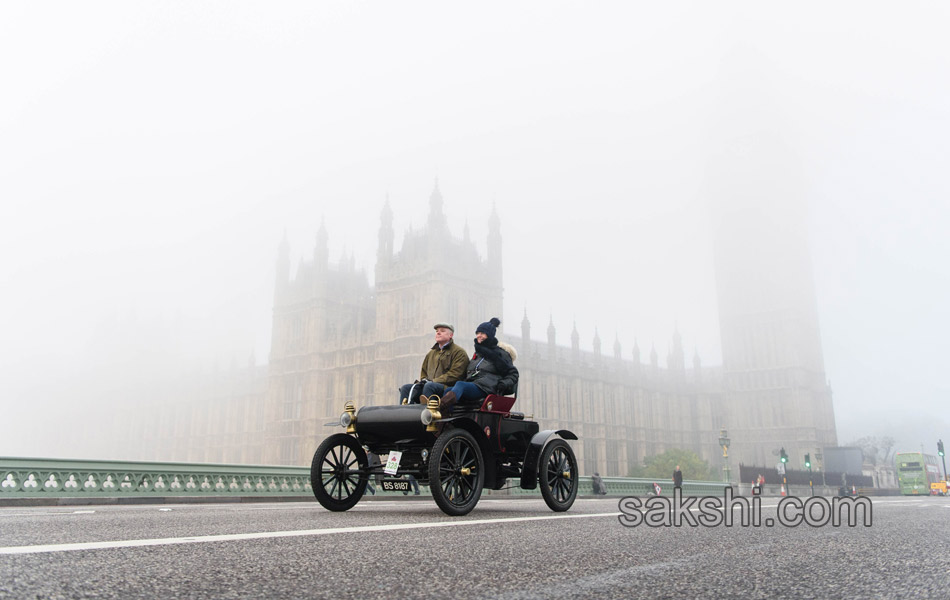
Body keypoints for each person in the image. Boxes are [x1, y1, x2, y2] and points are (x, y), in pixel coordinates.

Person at [438, 318, 518, 412]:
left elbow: (513, 373)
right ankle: (446, 419)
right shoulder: (478, 354)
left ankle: (439, 407)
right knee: (448, 390)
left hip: (487, 388)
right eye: (478, 333)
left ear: (490, 335)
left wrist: (503, 384)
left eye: (482, 333)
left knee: (460, 385)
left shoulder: (500, 354)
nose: (479, 336)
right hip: (474, 385)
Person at [397, 323, 469, 405]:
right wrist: (423, 381)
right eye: (437, 331)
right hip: (429, 385)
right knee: (406, 388)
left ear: (451, 335)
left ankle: (428, 415)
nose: (438, 333)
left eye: (442, 331)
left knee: (429, 386)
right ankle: (405, 414)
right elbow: (424, 372)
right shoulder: (431, 353)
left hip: (449, 388)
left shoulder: (459, 352)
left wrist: (433, 381)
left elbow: (456, 374)